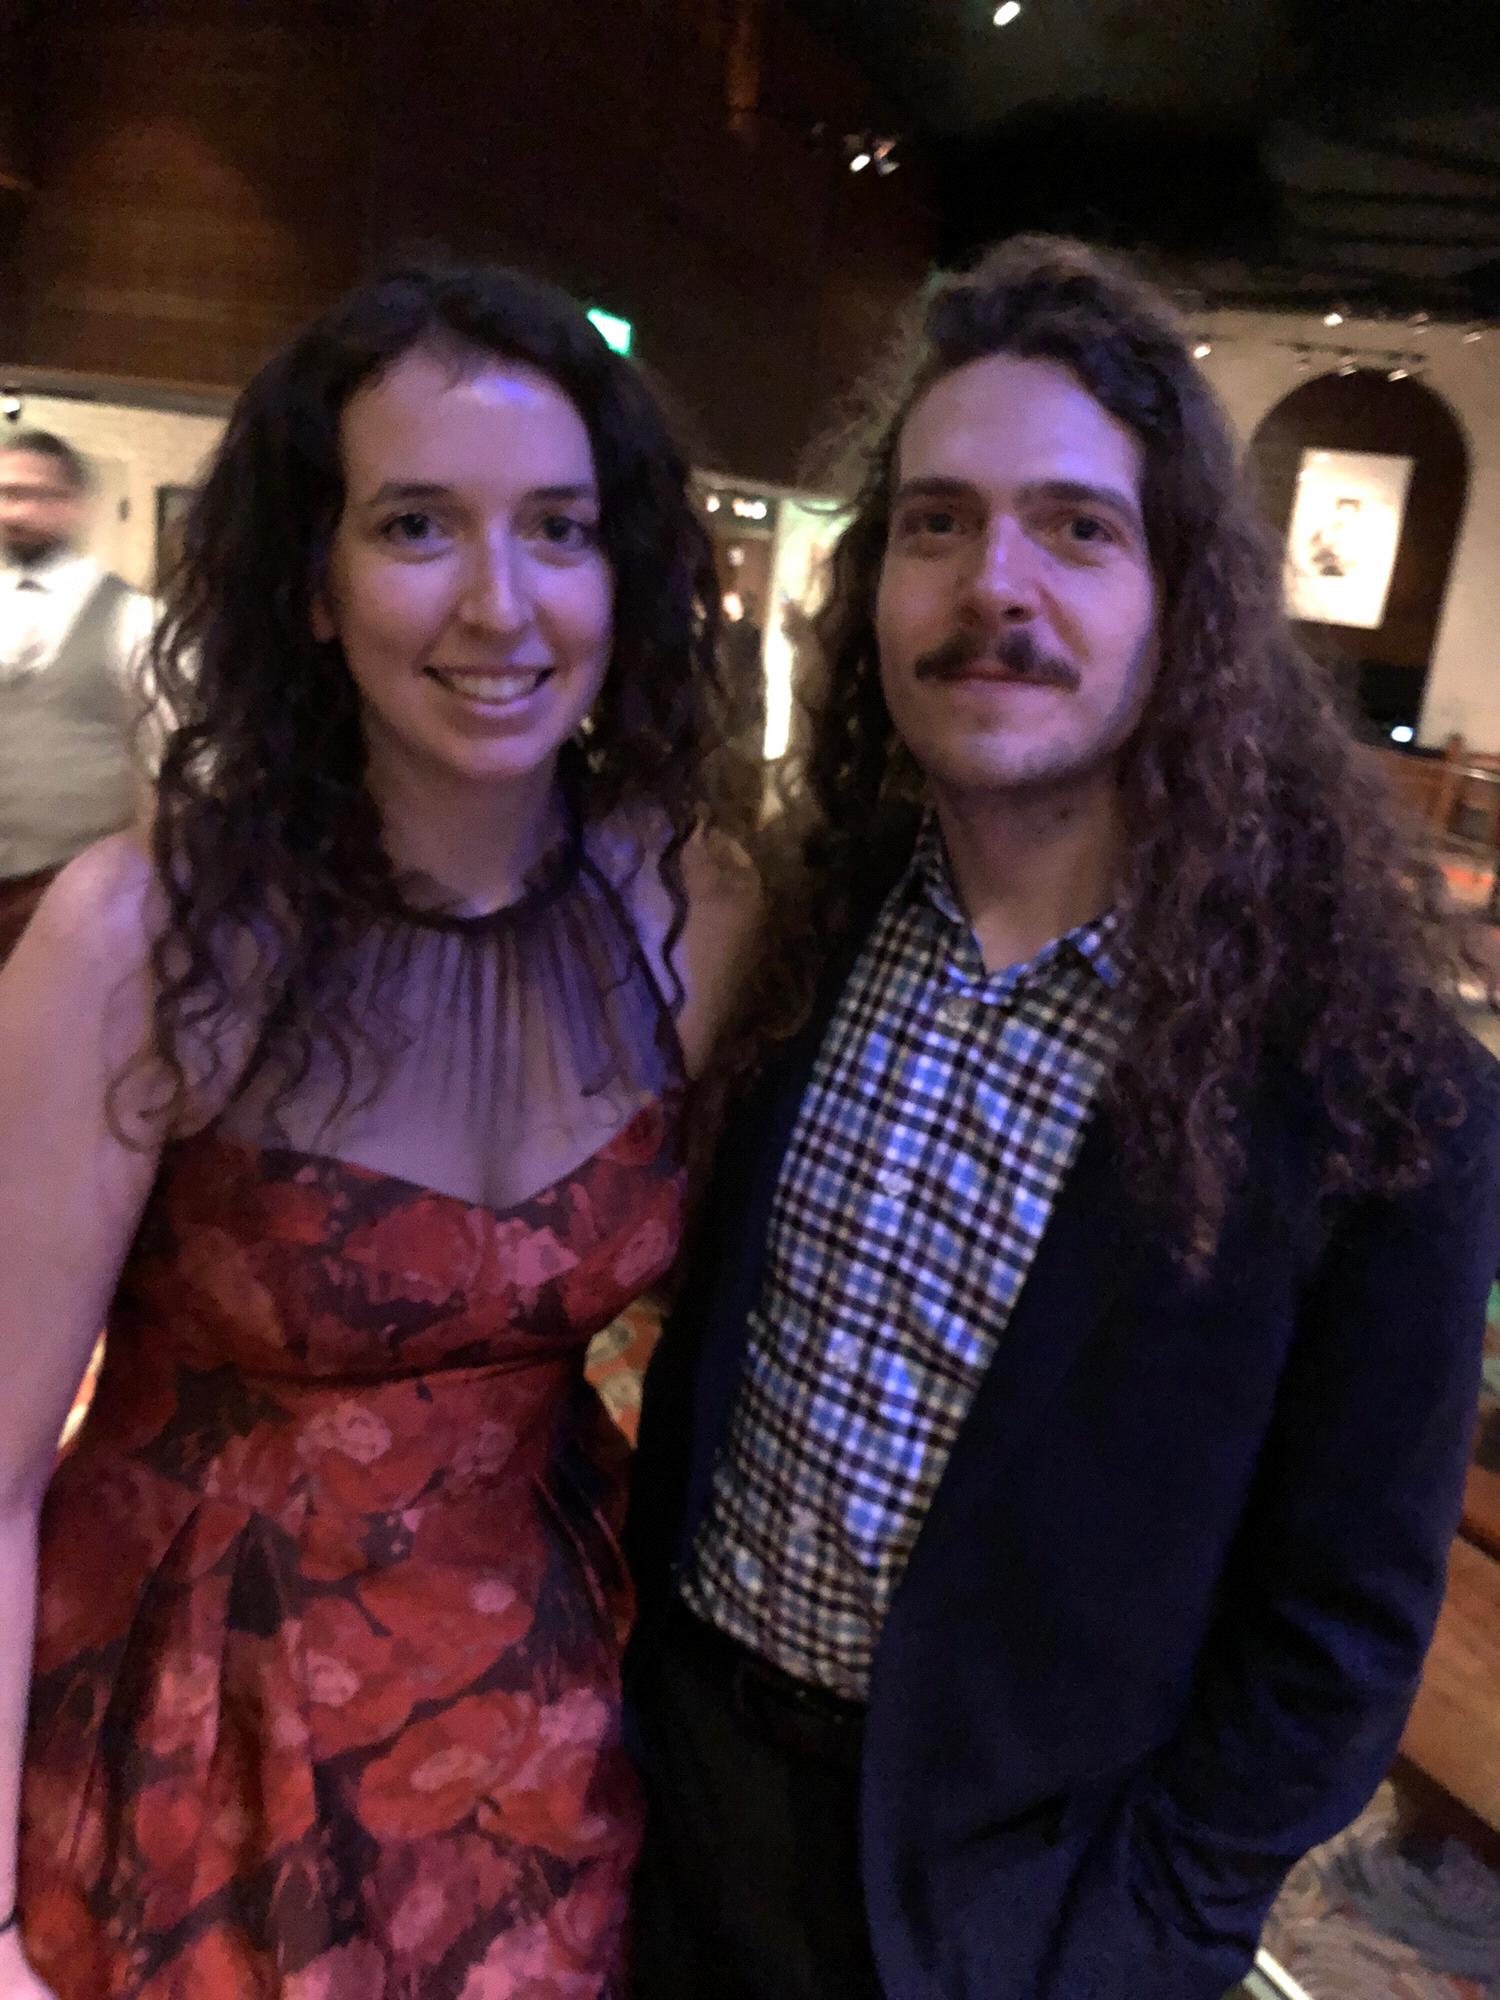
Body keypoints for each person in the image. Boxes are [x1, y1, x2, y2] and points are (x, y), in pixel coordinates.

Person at [625, 235, 1500, 2000]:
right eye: (937, 522)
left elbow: (1336, 1640)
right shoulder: (803, 934)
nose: (992, 586)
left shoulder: (1371, 1087)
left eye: (1077, 528)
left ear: (1188, 597)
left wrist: (1139, 1938)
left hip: (1008, 1924)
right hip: (672, 1817)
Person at [0, 265, 752, 1999]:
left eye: (560, 529)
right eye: (417, 525)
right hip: (188, 1740)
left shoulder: (696, 906)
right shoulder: (142, 938)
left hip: (552, 1745)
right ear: (314, 586)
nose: (501, 602)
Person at [0, 431, 154, 963]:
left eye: (30, 494)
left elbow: (179, 758)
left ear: (73, 505)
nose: (13, 512)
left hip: (76, 889)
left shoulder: (135, 618)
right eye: (3, 494)